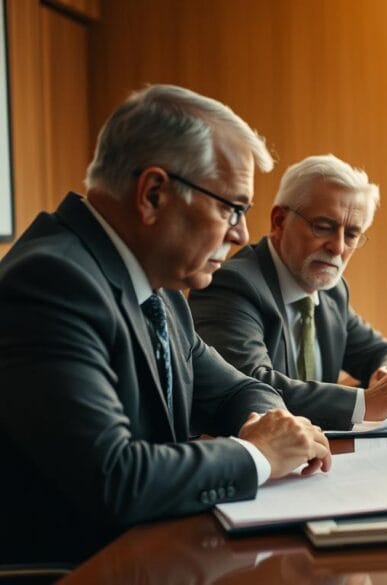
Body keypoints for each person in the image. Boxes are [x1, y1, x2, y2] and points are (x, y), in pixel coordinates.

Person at [0, 85, 332, 564]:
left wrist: (268, 422)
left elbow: (235, 390)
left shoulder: (162, 294)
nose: (241, 234)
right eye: (231, 208)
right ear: (154, 193)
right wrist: (258, 454)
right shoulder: (52, 282)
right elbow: (115, 477)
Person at [190, 154, 387, 429]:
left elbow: (386, 350)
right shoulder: (233, 284)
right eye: (323, 227)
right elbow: (249, 386)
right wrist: (364, 402)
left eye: (351, 235)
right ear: (279, 221)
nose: (337, 247)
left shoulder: (331, 292)